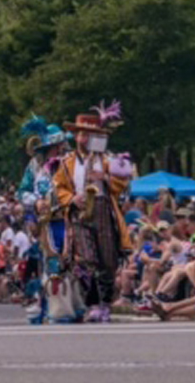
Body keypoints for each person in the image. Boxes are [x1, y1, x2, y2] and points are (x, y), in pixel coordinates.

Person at [52, 104, 133, 323]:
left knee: (108, 260)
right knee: (87, 259)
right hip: (80, 212)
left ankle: (105, 304)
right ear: (76, 136)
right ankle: (92, 303)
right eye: (81, 134)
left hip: (103, 209)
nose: (84, 138)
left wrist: (105, 178)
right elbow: (59, 187)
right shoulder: (67, 163)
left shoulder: (107, 160)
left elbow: (123, 184)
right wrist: (71, 199)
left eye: (89, 134)